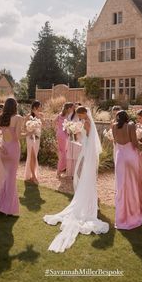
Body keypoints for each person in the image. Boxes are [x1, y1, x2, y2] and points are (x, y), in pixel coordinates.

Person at [43, 106, 109, 253]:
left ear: (83, 113)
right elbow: (86, 139)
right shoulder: (87, 122)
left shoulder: (86, 122)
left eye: (79, 114)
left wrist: (77, 135)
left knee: (87, 178)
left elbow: (87, 140)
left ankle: (89, 202)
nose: (78, 117)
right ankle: (91, 201)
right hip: (88, 154)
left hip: (87, 154)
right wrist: (76, 133)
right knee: (88, 179)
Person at [0, 98, 24, 216]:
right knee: (11, 179)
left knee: (7, 177)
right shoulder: (18, 118)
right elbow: (18, 136)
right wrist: (30, 132)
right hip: (13, 150)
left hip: (3, 150)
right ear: (15, 106)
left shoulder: (1, 117)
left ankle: (2, 205)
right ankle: (7, 209)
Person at [112, 110, 142, 230]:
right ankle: (132, 214)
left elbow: (115, 141)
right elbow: (135, 143)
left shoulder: (114, 127)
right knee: (132, 185)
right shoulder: (130, 125)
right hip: (130, 155)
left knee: (121, 185)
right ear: (127, 117)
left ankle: (121, 216)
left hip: (120, 156)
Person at [24, 100, 45, 184]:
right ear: (35, 107)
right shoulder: (28, 116)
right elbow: (24, 128)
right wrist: (30, 129)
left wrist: (38, 116)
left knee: (34, 156)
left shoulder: (41, 115)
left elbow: (43, 124)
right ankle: (33, 176)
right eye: (40, 106)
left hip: (37, 138)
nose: (41, 108)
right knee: (32, 156)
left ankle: (31, 175)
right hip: (29, 138)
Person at [54, 102, 74, 178]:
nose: (72, 109)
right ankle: (59, 170)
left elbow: (54, 121)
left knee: (62, 152)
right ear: (68, 108)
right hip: (64, 135)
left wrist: (57, 128)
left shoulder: (60, 114)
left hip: (59, 134)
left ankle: (60, 170)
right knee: (63, 153)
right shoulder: (67, 117)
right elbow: (68, 127)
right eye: (72, 108)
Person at [66, 103, 82, 178]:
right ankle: (71, 173)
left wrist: (77, 131)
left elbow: (83, 128)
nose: (76, 108)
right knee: (70, 154)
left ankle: (77, 173)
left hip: (78, 137)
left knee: (76, 155)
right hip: (71, 137)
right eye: (75, 107)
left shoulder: (81, 118)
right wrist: (70, 130)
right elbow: (67, 125)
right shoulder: (70, 115)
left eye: (78, 107)